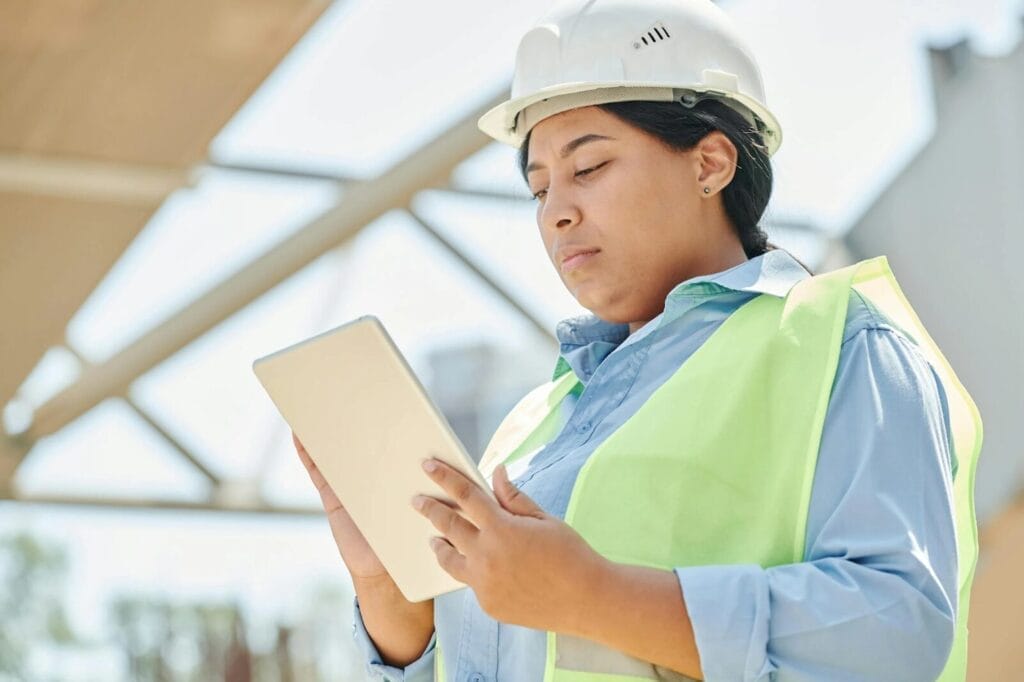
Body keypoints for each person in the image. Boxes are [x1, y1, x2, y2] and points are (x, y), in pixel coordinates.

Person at [293, 0, 983, 680]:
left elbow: (896, 633)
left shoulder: (842, 346)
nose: (558, 212)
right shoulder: (529, 431)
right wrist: (391, 595)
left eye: (588, 168)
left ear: (711, 164)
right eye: (539, 190)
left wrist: (596, 596)